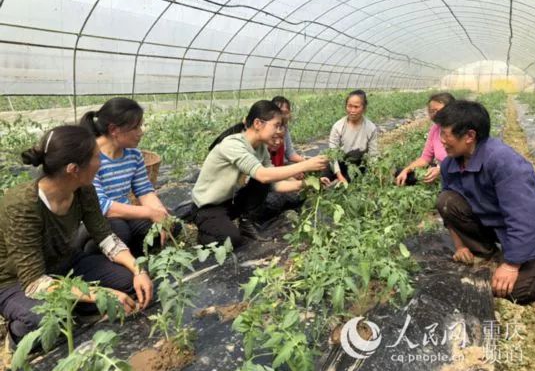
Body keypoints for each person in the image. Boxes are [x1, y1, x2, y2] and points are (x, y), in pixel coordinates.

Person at [0, 126, 153, 345]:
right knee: (49, 320)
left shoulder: (84, 189)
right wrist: (100, 294)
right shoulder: (22, 205)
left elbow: (105, 236)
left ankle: (78, 304)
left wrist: (138, 269)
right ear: (73, 169)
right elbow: (35, 282)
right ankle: (16, 333)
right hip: (16, 281)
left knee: (129, 284)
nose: (100, 163)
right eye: (95, 157)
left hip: (65, 263)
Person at [434, 100, 535, 304]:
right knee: (447, 201)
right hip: (496, 225)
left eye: (446, 134)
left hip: (534, 231)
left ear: (470, 136)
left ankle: (520, 262)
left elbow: (524, 219)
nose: (441, 140)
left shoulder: (503, 162)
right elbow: (448, 209)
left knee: (514, 291)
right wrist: (460, 246)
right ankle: (489, 254)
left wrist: (511, 266)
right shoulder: (450, 164)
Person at [191, 100, 328, 247]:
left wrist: (308, 184)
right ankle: (205, 235)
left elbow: (274, 183)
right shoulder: (232, 144)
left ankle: (245, 221)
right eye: (276, 125)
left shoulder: (261, 148)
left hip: (228, 202)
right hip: (207, 207)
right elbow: (263, 174)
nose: (278, 131)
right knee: (233, 240)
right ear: (258, 124)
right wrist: (305, 165)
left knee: (264, 181)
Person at [80, 98, 173, 256]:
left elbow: (144, 191)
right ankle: (90, 255)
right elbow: (101, 206)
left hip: (124, 214)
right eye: (136, 127)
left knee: (166, 227)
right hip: (93, 221)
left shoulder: (133, 155)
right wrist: (150, 213)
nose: (141, 132)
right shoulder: (90, 156)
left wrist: (160, 213)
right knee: (120, 231)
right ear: (114, 129)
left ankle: (132, 258)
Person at [395, 92, 455, 186]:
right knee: (402, 173)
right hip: (439, 169)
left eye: (437, 110)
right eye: (431, 111)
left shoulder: (459, 128)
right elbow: (425, 158)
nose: (434, 114)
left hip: (455, 172)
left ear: (451, 109)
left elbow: (463, 160)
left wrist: (440, 169)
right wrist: (406, 170)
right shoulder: (435, 129)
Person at [321, 89, 378, 186]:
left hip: (357, 164)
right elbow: (333, 155)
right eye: (349, 106)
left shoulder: (371, 128)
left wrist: (376, 172)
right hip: (340, 163)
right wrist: (340, 176)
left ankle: (344, 182)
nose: (352, 111)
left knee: (356, 174)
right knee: (325, 175)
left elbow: (373, 155)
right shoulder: (338, 127)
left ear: (364, 108)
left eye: (356, 107)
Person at [271, 96, 305, 165]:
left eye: (286, 112)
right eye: (280, 112)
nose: (283, 116)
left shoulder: (284, 128)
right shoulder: (267, 131)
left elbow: (290, 153)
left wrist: (307, 162)